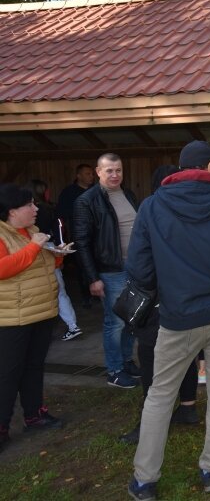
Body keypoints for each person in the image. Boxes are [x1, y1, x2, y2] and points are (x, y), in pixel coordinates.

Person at [127, 140, 210, 499]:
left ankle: (145, 479)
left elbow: (139, 270)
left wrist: (172, 284)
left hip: (177, 317)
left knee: (160, 394)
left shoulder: (152, 207)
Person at [118, 165, 199, 446]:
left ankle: (149, 423)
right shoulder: (191, 211)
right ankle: (188, 407)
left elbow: (139, 263)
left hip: (157, 302)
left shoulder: (150, 210)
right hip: (188, 299)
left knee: (152, 359)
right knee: (188, 352)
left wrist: (147, 287)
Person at [0, 184, 64, 453]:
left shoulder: (33, 232)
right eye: (30, 205)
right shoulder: (3, 234)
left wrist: (57, 255)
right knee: (7, 374)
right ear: (13, 211)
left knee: (34, 367)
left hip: (41, 311)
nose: (35, 209)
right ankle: (1, 427)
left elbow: (45, 265)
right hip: (13, 318)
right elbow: (3, 269)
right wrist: (34, 249)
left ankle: (34, 414)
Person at [72, 153, 140, 389]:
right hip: (110, 272)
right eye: (109, 170)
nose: (114, 175)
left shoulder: (128, 194)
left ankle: (127, 361)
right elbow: (81, 242)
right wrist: (93, 278)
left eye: (118, 170)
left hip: (135, 269)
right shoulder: (86, 201)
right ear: (98, 172)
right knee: (116, 322)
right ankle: (114, 370)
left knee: (132, 319)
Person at [27, 180, 82, 341]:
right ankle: (72, 325)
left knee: (44, 291)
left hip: (39, 249)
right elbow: (59, 228)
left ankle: (40, 331)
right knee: (58, 290)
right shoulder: (50, 209)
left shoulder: (35, 211)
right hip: (49, 249)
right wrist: (60, 246)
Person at [55, 164, 94, 309]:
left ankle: (97, 293)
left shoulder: (97, 191)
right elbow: (61, 216)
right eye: (87, 173)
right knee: (82, 266)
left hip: (96, 235)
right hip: (77, 235)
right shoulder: (69, 193)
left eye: (92, 174)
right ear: (78, 176)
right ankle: (86, 295)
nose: (91, 176)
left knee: (97, 264)